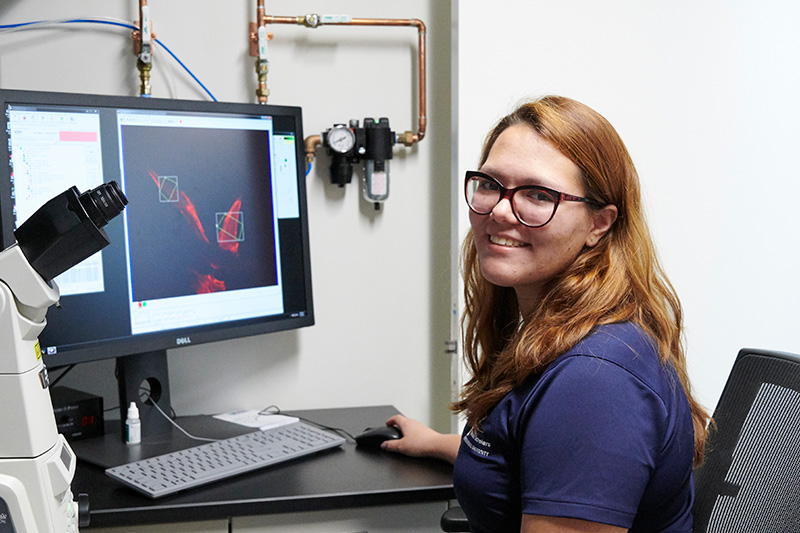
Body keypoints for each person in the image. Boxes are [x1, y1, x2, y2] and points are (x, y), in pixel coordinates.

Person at [382, 96, 710, 533]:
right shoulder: (564, 332)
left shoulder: (594, 382)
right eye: (490, 184)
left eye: (538, 195)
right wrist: (441, 444)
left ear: (599, 224)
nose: (499, 209)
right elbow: (534, 455)